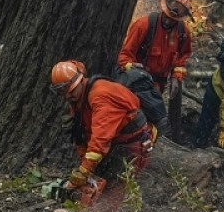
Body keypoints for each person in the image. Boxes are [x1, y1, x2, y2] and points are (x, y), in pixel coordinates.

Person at [50, 59, 155, 201]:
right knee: (95, 182)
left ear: (81, 81)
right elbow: (81, 135)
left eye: (71, 91)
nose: (69, 96)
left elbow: (100, 139)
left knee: (113, 188)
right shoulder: (77, 102)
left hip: (131, 143)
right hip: (113, 142)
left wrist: (85, 170)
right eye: (64, 93)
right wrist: (84, 165)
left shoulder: (100, 96)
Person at [117, 0, 194, 137]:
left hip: (159, 83)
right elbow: (124, 55)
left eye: (173, 19)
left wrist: (177, 76)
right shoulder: (143, 25)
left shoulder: (183, 33)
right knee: (139, 115)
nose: (168, 21)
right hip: (138, 82)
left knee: (152, 119)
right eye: (167, 16)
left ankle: (149, 142)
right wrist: (131, 67)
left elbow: (182, 56)